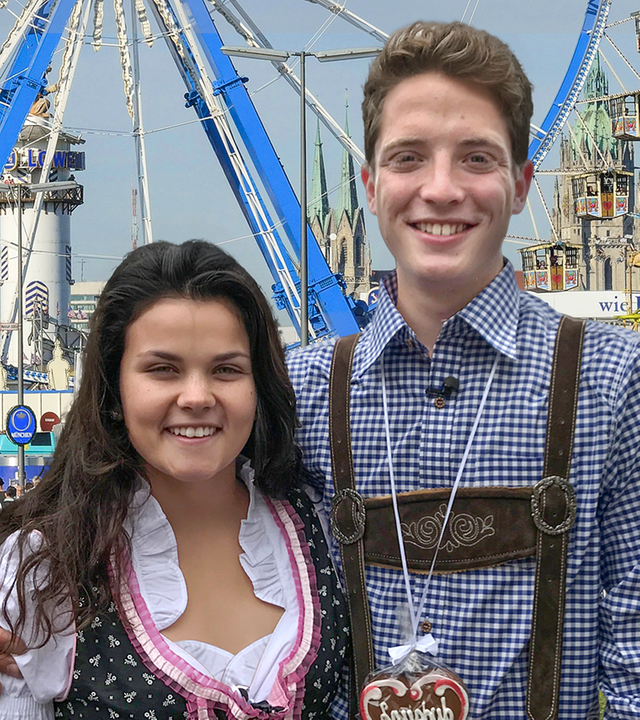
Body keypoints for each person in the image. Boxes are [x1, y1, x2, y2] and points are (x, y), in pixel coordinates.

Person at [286, 20, 640, 720]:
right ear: (371, 183)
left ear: (520, 184)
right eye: (409, 157)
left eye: (477, 158)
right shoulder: (301, 388)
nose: (441, 189)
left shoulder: (612, 378)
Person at [0, 240, 348, 719]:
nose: (197, 396)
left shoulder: (319, 526)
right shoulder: (47, 568)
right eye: (163, 370)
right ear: (114, 391)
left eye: (226, 369)